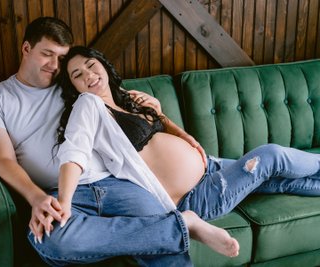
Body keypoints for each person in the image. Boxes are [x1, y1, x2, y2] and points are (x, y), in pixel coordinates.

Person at [0, 17, 231, 267]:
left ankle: (168, 229)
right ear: (26, 48)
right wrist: (36, 198)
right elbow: (2, 160)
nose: (55, 64)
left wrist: (163, 117)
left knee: (164, 248)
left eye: (62, 58)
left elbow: (118, 97)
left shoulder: (71, 84)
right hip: (62, 192)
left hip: (118, 181)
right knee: (50, 241)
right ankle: (181, 226)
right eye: (47, 54)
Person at [53, 45, 320, 263]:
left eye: (91, 65)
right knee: (271, 156)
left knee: (278, 179)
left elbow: (168, 130)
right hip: (194, 197)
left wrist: (170, 124)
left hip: (210, 167)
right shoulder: (89, 108)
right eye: (77, 75)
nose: (88, 75)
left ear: (103, 64)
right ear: (73, 87)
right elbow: (73, 151)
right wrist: (64, 201)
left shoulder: (128, 100)